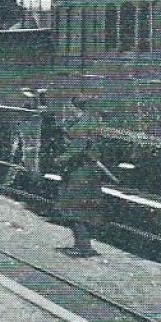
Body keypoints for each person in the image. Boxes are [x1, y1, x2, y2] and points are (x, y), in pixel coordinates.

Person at [50, 104, 106, 257]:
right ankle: (82, 245)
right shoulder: (87, 121)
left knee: (75, 209)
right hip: (84, 172)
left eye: (70, 109)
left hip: (81, 173)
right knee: (79, 210)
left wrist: (60, 159)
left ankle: (83, 247)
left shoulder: (83, 124)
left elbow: (78, 147)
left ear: (76, 108)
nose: (68, 112)